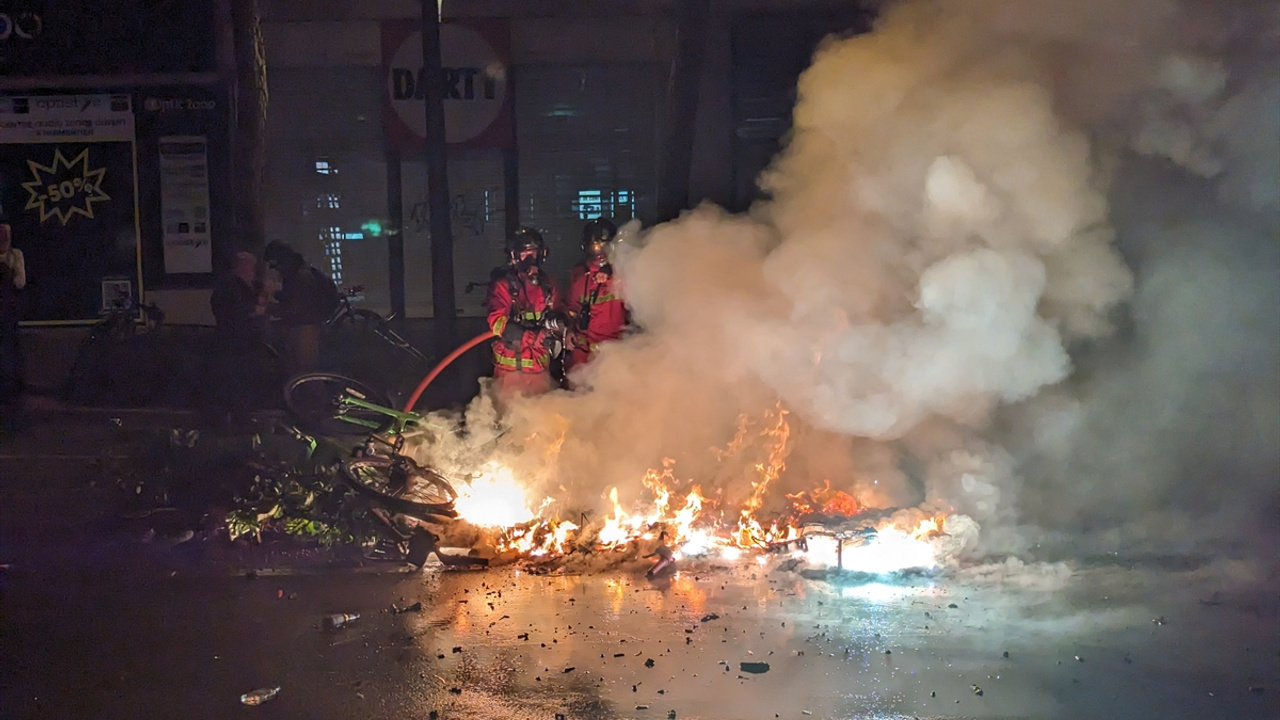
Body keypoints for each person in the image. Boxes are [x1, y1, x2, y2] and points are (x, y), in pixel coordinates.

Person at [486, 227, 562, 409]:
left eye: (533, 254)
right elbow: (497, 322)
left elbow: (560, 313)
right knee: (509, 424)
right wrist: (532, 337)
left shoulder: (548, 285)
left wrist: (561, 325)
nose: (530, 260)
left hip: (539, 371)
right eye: (524, 255)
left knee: (541, 425)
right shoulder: (503, 286)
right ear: (513, 256)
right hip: (510, 373)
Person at [208, 251, 268, 428]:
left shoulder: (244, 285)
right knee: (236, 379)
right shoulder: (229, 286)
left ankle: (241, 414)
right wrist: (254, 310)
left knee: (243, 379)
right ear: (240, 267)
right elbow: (230, 310)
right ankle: (236, 417)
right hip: (234, 341)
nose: (253, 271)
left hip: (244, 341)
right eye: (250, 267)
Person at [263, 241, 338, 377]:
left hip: (303, 330)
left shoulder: (300, 276)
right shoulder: (300, 273)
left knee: (306, 375)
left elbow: (295, 307)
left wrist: (269, 307)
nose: (275, 270)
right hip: (305, 327)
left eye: (275, 265)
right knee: (304, 374)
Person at [565, 219, 627, 373]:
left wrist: (610, 271)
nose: (599, 253)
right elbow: (570, 308)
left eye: (605, 247)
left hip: (615, 354)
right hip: (583, 354)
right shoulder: (579, 274)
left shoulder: (623, 272)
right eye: (595, 247)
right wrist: (567, 331)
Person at [0, 223, 27, 421]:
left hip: (7, 310)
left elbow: (20, 282)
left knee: (9, 350)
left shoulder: (15, 255)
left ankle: (10, 391)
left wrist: (10, 266)